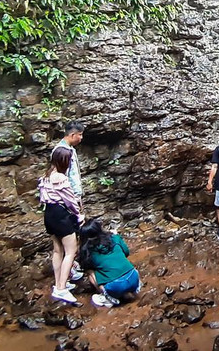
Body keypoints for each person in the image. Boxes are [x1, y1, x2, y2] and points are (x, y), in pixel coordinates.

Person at [38, 146, 83, 304]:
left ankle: (58, 284)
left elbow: (42, 198)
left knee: (58, 250)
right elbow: (70, 200)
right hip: (61, 215)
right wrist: (79, 215)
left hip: (49, 214)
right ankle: (62, 289)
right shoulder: (62, 179)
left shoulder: (46, 175)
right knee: (71, 251)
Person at [77, 219, 141, 308]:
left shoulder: (87, 252)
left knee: (90, 271)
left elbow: (85, 267)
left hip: (115, 286)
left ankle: (106, 296)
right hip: (134, 277)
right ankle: (128, 290)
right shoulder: (114, 238)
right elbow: (126, 252)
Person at [51, 121, 86, 282]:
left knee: (59, 247)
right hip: (66, 202)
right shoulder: (62, 152)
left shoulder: (68, 149)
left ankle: (68, 272)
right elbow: (64, 181)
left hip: (64, 202)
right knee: (69, 243)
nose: (81, 137)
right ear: (72, 135)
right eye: (80, 135)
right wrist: (75, 205)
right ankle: (63, 284)